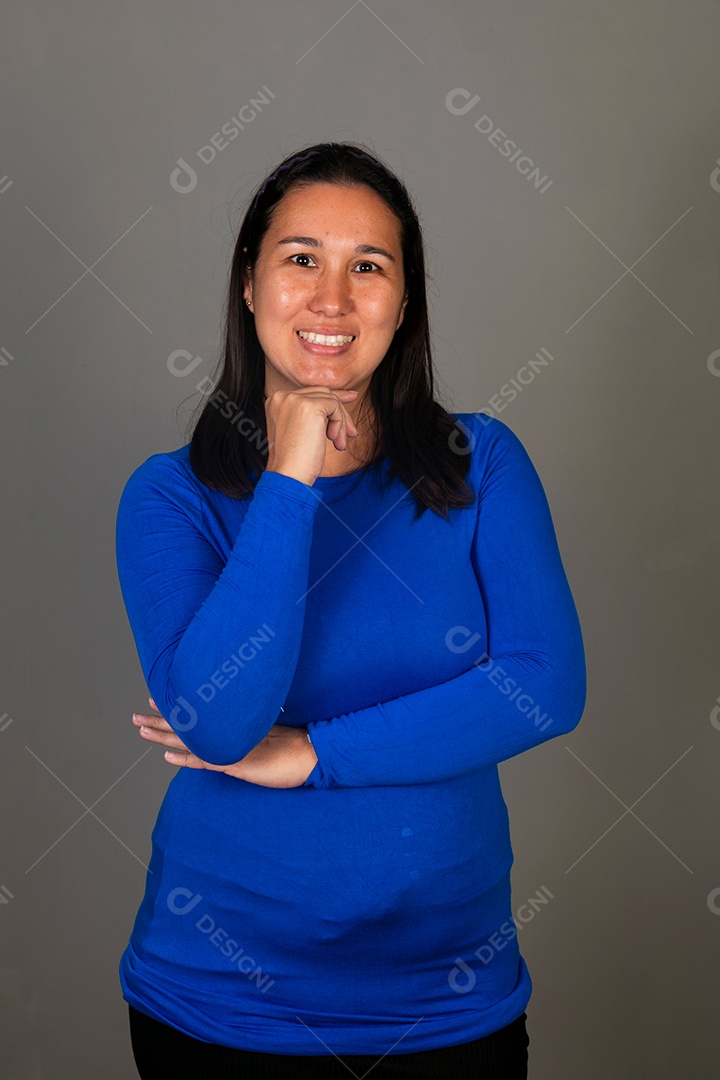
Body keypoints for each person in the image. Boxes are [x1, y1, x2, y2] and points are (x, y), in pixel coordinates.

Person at [116, 141, 587, 1079]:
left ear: (403, 302)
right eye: (300, 260)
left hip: (447, 1005)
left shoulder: (478, 463)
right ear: (249, 285)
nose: (332, 299)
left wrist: (317, 755)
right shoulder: (170, 498)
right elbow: (218, 718)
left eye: (367, 267)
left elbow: (545, 686)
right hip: (222, 1012)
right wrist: (289, 475)